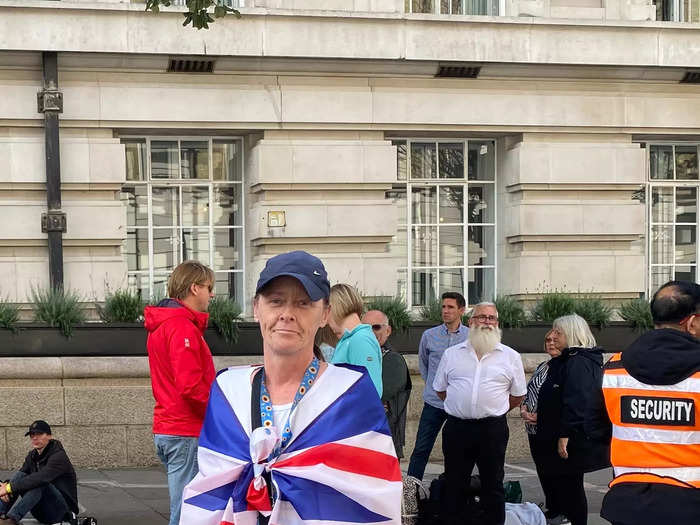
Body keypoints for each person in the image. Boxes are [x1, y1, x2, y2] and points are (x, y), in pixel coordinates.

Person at [180, 251, 401, 524]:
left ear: (325, 314)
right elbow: (208, 492)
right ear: (257, 308)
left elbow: (376, 497)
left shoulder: (350, 393)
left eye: (303, 303)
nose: (287, 314)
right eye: (276, 301)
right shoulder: (229, 392)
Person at [600, 280, 700, 525]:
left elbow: (596, 429)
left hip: (627, 503)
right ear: (693, 323)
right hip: (690, 506)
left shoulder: (614, 368)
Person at [433, 302, 527, 525]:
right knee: (454, 484)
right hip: (457, 428)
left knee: (493, 485)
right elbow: (441, 390)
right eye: (481, 317)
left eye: (491, 318)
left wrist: (492, 410)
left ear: (497, 323)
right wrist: (463, 407)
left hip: (491, 429)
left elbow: (517, 395)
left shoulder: (510, 356)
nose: (487, 322)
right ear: (470, 321)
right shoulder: (451, 354)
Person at [144, 260, 216, 525]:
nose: (212, 294)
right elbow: (190, 387)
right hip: (185, 429)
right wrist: (218, 412)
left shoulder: (164, 325)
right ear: (194, 288)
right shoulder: (182, 327)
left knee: (186, 507)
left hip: (170, 427)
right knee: (188, 511)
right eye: (209, 287)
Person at [531, 314, 610, 525]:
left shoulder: (579, 362)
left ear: (572, 334)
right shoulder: (568, 360)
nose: (552, 336)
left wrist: (565, 434)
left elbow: (577, 400)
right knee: (561, 489)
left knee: (570, 489)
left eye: (559, 332)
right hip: (554, 433)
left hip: (568, 437)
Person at [407, 291, 468, 481]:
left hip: (458, 406)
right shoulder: (429, 335)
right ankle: (410, 493)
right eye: (443, 307)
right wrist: (433, 386)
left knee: (456, 451)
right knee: (421, 449)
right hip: (433, 403)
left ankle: (452, 493)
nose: (446, 311)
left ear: (461, 310)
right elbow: (424, 364)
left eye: (450, 307)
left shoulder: (470, 336)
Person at [520, 329, 567, 523]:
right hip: (533, 430)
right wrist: (523, 408)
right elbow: (528, 391)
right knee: (543, 472)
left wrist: (543, 416)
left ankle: (561, 511)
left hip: (552, 430)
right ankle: (552, 508)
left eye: (555, 340)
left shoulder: (566, 367)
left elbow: (564, 399)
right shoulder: (542, 365)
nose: (551, 343)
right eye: (548, 340)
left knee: (556, 474)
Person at [0, 421, 78, 525]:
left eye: (39, 434)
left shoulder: (59, 457)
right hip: (42, 512)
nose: (34, 438)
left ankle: (12, 520)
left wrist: (9, 488)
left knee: (40, 483)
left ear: (49, 436)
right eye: (32, 435)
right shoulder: (32, 456)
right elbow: (19, 477)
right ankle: (1, 512)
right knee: (20, 477)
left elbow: (41, 478)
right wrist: (5, 487)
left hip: (62, 513)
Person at [362, 309, 412, 458]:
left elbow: (377, 395)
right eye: (365, 328)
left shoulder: (393, 359)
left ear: (388, 330)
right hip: (367, 434)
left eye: (376, 327)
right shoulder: (364, 356)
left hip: (385, 435)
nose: (370, 332)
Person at [328, 283, 384, 397]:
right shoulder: (352, 339)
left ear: (335, 308)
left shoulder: (360, 340)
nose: (325, 321)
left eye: (326, 311)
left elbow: (371, 392)